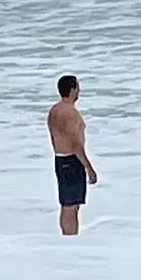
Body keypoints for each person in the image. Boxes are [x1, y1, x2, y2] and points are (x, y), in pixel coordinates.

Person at [47, 74, 97, 235]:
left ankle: (66, 236)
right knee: (72, 205)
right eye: (78, 87)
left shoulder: (54, 110)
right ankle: (71, 238)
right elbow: (76, 144)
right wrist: (88, 167)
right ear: (73, 89)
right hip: (71, 160)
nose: (79, 91)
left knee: (66, 203)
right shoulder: (71, 114)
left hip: (60, 159)